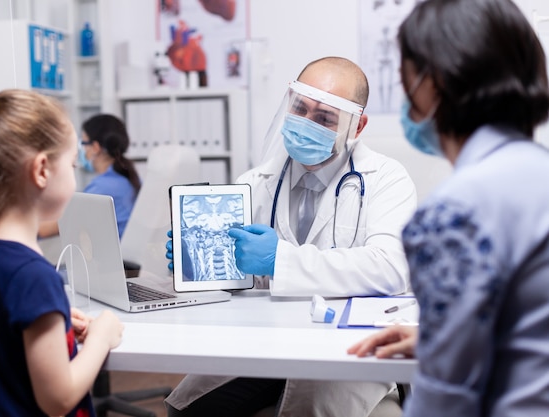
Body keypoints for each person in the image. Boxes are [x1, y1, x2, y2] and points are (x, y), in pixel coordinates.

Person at [165, 57, 417, 416]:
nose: (305, 123)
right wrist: (199, 264)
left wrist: (279, 260)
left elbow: (391, 269)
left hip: (345, 349)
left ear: (357, 126)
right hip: (266, 342)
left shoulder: (386, 180)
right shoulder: (256, 181)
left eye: (325, 117)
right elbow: (238, 282)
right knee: (185, 408)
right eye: (300, 108)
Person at [348, 0, 549, 416]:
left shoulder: (455, 211)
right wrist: (440, 336)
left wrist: (444, 354)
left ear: (432, 82)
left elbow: (446, 399)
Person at [0, 90, 124, 416]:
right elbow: (59, 399)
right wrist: (101, 337)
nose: (76, 174)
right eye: (73, 164)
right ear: (42, 170)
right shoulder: (34, 277)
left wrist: (56, 326)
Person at [39, 113, 141, 239]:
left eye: (83, 143)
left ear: (95, 147)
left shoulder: (103, 188)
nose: (81, 150)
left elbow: (46, 230)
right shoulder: (128, 178)